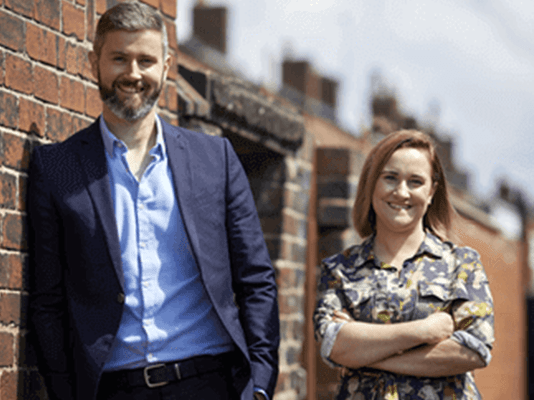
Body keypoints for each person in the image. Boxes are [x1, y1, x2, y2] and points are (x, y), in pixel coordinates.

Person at [26, 3, 279, 400]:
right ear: (95, 63)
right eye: (119, 58)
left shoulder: (217, 160)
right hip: (112, 390)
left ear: (166, 66)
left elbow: (256, 278)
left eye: (146, 60)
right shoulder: (57, 169)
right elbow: (47, 304)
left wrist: (260, 385)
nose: (133, 74)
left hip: (210, 384)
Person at [313, 130, 494, 399]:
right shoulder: (340, 270)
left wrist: (367, 356)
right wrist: (425, 330)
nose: (401, 192)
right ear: (371, 184)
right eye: (390, 178)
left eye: (415, 182)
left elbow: (473, 350)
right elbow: (334, 345)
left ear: (432, 191)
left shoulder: (462, 265)